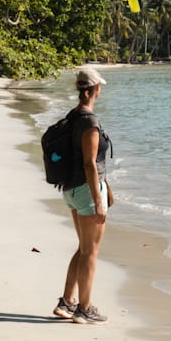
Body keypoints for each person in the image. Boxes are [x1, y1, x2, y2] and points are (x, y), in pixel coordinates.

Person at [53, 67, 112, 324]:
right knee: (91, 251)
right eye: (100, 86)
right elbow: (89, 163)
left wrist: (106, 187)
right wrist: (98, 199)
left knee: (84, 248)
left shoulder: (74, 116)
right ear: (95, 89)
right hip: (86, 190)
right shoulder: (90, 122)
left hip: (71, 190)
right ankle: (85, 309)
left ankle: (67, 302)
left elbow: (87, 160)